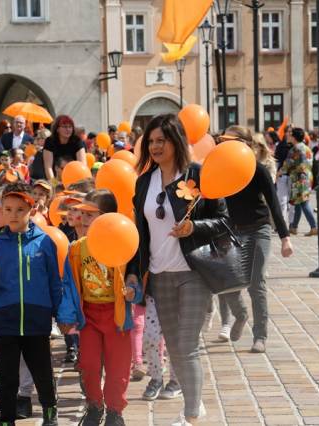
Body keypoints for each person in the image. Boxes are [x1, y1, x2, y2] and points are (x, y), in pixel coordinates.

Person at [127, 114, 228, 426]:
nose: (155, 147)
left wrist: (193, 228)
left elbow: (224, 221)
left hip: (194, 271)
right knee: (174, 345)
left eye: (161, 140)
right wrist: (133, 272)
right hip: (159, 275)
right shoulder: (145, 181)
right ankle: (195, 402)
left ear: (176, 141)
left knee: (186, 344)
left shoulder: (197, 175)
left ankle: (191, 414)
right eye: (151, 142)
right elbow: (138, 232)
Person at [0, 183, 65, 426]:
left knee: (42, 371)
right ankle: (6, 419)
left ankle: (50, 411)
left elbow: (55, 281)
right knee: (7, 376)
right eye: (8, 209)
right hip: (6, 319)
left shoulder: (45, 243)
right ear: (1, 210)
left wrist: (60, 313)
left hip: (37, 319)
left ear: (32, 211)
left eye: (20, 209)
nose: (13, 214)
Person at [59, 190, 142, 426]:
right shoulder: (76, 249)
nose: (83, 217)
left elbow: (135, 279)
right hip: (90, 318)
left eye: (90, 213)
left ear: (107, 217)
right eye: (82, 212)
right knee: (89, 365)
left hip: (116, 317)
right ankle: (95, 406)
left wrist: (132, 291)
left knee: (118, 369)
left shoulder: (124, 245)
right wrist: (66, 316)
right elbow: (69, 285)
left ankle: (115, 411)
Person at [221, 127, 293, 353]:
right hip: (234, 231)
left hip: (259, 229)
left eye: (229, 140)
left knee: (256, 283)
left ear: (244, 143)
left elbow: (273, 203)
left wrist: (285, 238)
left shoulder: (258, 170)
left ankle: (260, 336)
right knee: (227, 284)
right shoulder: (222, 170)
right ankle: (241, 314)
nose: (224, 144)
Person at [279, 128, 317, 236]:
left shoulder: (294, 149)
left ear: (294, 137)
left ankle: (314, 226)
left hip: (298, 178)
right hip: (307, 177)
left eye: (290, 135)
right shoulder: (307, 148)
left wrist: (278, 173)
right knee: (298, 203)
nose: (288, 136)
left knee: (303, 203)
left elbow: (287, 165)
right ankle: (294, 227)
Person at [43, 115, 87, 182]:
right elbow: (48, 167)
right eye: (64, 127)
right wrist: (54, 184)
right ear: (57, 129)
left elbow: (82, 165)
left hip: (74, 177)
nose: (68, 129)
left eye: (70, 127)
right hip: (55, 176)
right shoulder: (49, 141)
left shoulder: (77, 141)